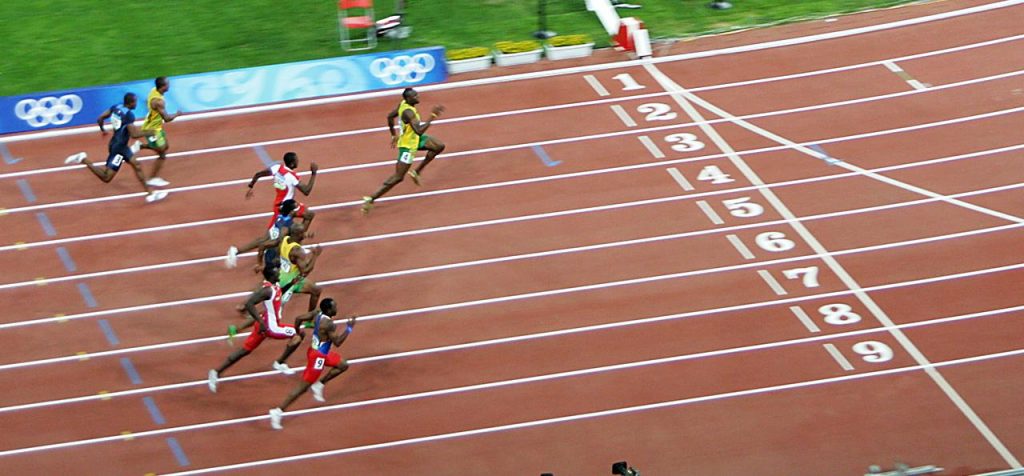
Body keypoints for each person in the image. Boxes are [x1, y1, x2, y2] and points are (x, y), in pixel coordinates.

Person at [207, 265, 303, 393]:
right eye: (276, 272)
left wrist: (291, 284)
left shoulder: (275, 286)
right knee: (299, 334)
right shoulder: (267, 290)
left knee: (244, 350)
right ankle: (280, 363)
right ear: (271, 276)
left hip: (264, 324)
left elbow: (278, 293)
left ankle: (216, 372)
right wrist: (260, 321)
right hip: (271, 328)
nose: (279, 273)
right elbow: (249, 304)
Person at [64, 93, 168, 203]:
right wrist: (150, 132)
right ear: (130, 103)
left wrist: (103, 130)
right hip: (118, 148)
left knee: (136, 165)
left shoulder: (116, 107)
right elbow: (134, 135)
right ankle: (83, 159)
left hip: (119, 145)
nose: (136, 104)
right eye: (135, 102)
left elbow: (100, 118)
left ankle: (150, 194)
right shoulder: (129, 115)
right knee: (106, 177)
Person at [269, 298, 355, 430]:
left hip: (316, 351)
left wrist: (297, 332)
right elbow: (338, 342)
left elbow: (298, 318)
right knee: (302, 388)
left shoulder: (317, 314)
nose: (336, 309)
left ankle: (319, 385)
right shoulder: (329, 324)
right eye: (334, 307)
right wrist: (349, 328)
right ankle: (278, 411)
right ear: (328, 310)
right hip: (318, 358)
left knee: (343, 365)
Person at [361, 88, 445, 213]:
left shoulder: (403, 104)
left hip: (415, 139)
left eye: (417, 94)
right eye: (415, 96)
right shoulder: (408, 112)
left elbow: (390, 116)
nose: (418, 97)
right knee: (398, 177)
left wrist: (393, 135)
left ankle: (416, 172)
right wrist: (433, 116)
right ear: (408, 99)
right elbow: (419, 130)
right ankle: (371, 199)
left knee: (439, 146)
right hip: (408, 146)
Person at [228, 152, 318, 265]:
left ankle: (297, 245)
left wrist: (251, 185)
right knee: (267, 239)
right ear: (292, 164)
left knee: (309, 214)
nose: (298, 162)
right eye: (296, 160)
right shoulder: (291, 176)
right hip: (284, 209)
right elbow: (306, 191)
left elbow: (258, 174)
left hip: (287, 204)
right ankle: (236, 251)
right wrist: (314, 173)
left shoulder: (277, 168)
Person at [225, 198, 299, 268]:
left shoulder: (280, 215)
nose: (298, 211)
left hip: (275, 230)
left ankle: (237, 250)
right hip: (274, 248)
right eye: (296, 209)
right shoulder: (289, 224)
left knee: (262, 240)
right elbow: (280, 240)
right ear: (291, 212)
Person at [136, 76, 180, 187]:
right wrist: (177, 114)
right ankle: (153, 178)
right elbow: (167, 118)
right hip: (152, 129)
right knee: (162, 154)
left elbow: (147, 101)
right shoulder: (159, 102)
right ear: (163, 87)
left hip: (156, 127)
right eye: (167, 84)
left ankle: (141, 146)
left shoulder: (153, 91)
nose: (169, 85)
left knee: (165, 146)